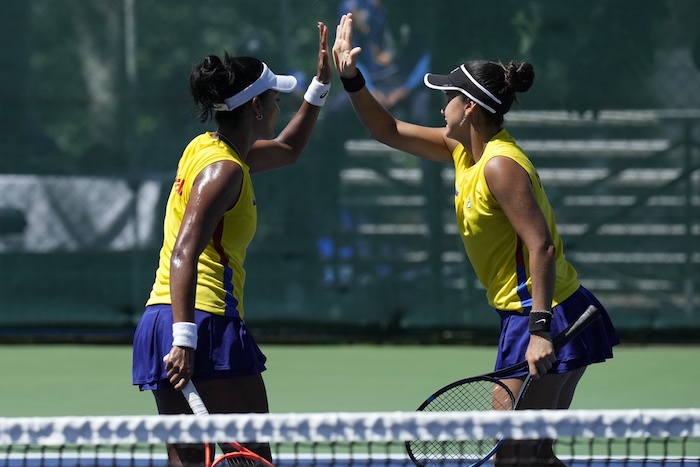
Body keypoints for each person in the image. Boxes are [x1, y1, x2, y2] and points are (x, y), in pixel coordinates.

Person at [332, 13, 619, 466]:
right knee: (535, 455)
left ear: (468, 107)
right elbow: (385, 131)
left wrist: (540, 330)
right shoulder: (464, 152)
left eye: (446, 97)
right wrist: (351, 78)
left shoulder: (499, 165)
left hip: (543, 315)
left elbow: (539, 246)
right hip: (543, 311)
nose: (439, 105)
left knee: (514, 456)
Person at [131, 22, 332, 466]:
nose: (280, 106)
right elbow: (186, 250)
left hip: (161, 318)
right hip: (201, 322)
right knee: (253, 458)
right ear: (257, 106)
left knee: (186, 461)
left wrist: (320, 85)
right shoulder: (225, 171)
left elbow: (287, 149)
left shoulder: (206, 148)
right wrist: (185, 340)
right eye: (277, 99)